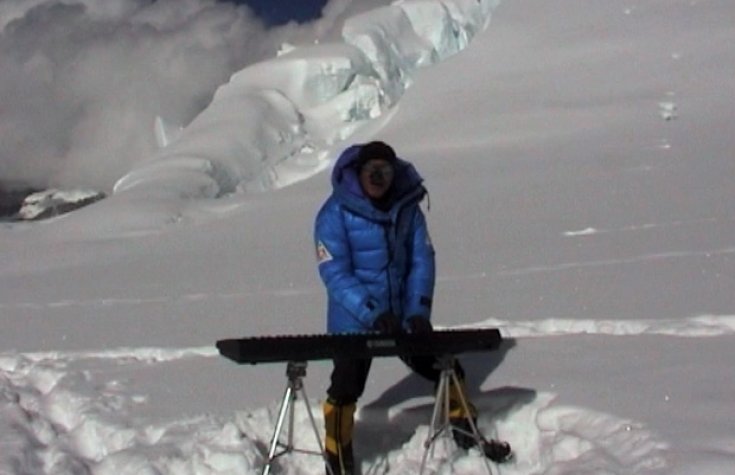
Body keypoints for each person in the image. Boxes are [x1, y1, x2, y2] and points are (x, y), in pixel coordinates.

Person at [313, 141, 481, 475]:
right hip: (354, 321)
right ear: (358, 173)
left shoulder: (408, 209)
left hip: (403, 318)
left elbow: (422, 260)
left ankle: (467, 432)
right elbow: (335, 273)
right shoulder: (333, 214)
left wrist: (418, 310)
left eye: (385, 171)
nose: (378, 177)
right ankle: (337, 452)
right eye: (371, 171)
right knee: (346, 385)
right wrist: (372, 312)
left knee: (445, 365)